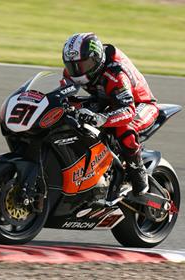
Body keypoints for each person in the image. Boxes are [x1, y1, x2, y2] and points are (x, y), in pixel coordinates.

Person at [61, 32, 159, 196]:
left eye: (82, 65)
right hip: (105, 100)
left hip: (139, 104)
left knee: (124, 129)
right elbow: (65, 98)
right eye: (72, 66)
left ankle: (138, 172)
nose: (77, 71)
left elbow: (128, 110)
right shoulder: (69, 73)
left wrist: (100, 118)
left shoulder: (115, 73)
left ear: (96, 59)